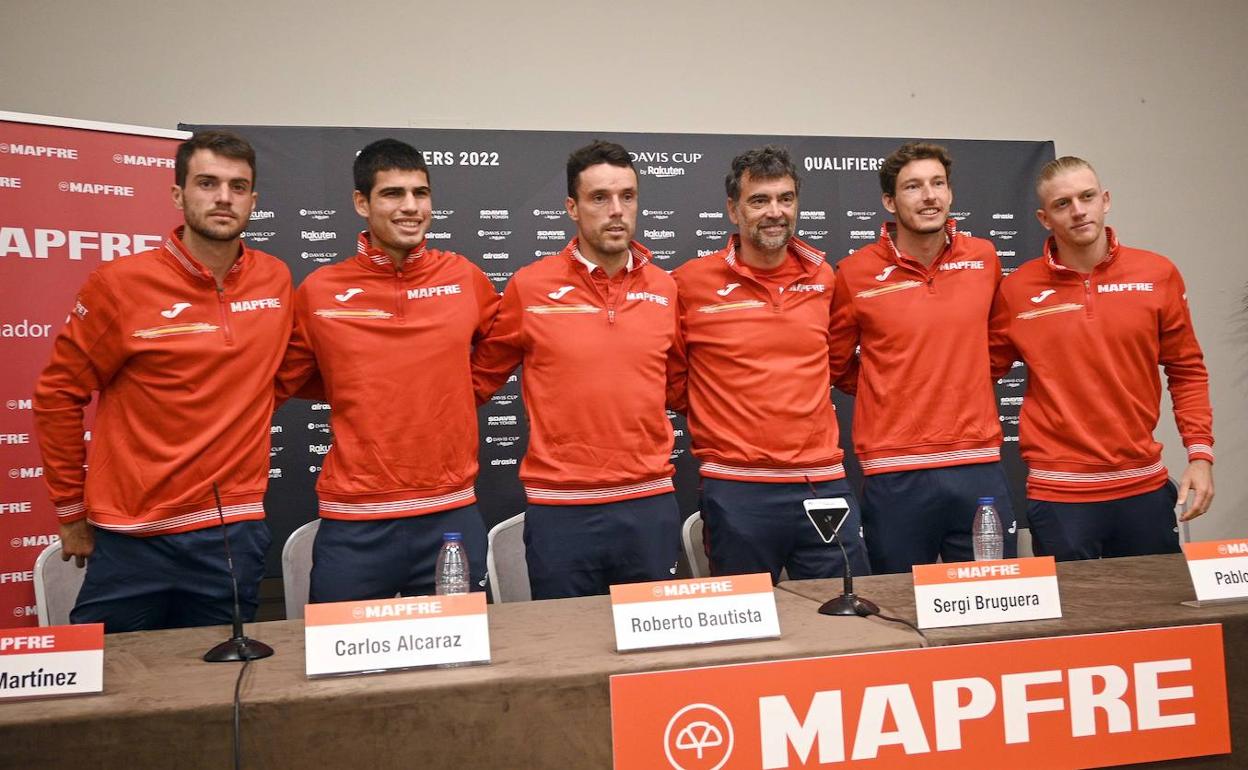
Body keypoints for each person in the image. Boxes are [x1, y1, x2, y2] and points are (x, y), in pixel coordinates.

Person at [33, 130, 291, 631]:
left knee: (223, 690)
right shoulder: (119, 285)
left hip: (230, 532)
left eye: (238, 187)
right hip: (134, 536)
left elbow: (290, 370)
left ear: (253, 201)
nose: (223, 197)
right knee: (115, 688)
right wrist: (70, 511)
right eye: (207, 183)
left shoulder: (275, 278)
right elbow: (57, 395)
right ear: (178, 195)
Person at [276, 139, 497, 602]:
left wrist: (454, 390)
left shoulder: (465, 278)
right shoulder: (319, 291)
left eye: (421, 193)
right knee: (344, 667)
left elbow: (502, 348)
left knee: (456, 667)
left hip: (449, 514)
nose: (411, 207)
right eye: (393, 193)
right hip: (355, 519)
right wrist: (356, 385)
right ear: (362, 202)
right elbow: (287, 376)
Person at [471, 140, 681, 599]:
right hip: (562, 510)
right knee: (566, 656)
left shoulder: (666, 289)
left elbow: (684, 386)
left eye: (627, 196)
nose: (616, 210)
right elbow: (475, 380)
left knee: (654, 657)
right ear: (572, 207)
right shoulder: (530, 286)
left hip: (648, 505)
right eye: (599, 198)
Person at [988, 156, 1213, 559]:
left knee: (1157, 618)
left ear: (1104, 200)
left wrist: (1200, 455)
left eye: (1087, 197)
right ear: (1044, 217)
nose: (1077, 211)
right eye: (1062, 204)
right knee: (1075, 622)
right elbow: (973, 371)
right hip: (1059, 493)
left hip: (1142, 487)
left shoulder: (1157, 274)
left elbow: (1187, 370)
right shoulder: (1017, 289)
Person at [669, 145, 868, 582]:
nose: (774, 211)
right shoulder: (689, 283)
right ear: (733, 210)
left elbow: (834, 363)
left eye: (785, 198)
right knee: (745, 625)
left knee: (846, 624)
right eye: (759, 200)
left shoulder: (825, 278)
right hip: (737, 487)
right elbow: (671, 375)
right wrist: (724, 410)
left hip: (822, 482)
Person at [828, 141, 1017, 573]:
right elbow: (836, 363)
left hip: (977, 464)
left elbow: (1001, 344)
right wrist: (891, 385)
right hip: (895, 471)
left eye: (938, 184)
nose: (929, 196)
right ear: (889, 201)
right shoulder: (855, 272)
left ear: (949, 193)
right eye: (913, 187)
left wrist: (958, 374)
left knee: (994, 604)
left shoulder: (984, 258)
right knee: (897, 608)